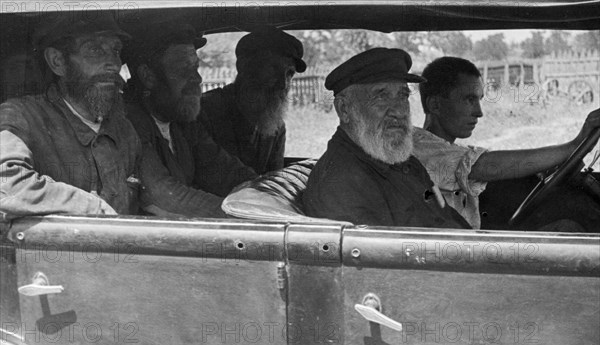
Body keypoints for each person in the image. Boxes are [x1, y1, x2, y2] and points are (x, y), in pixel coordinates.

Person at [414, 56, 600, 229]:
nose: (479, 112)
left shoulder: (446, 149)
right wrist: (574, 146)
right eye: (469, 100)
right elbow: (484, 165)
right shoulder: (420, 148)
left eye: (479, 100)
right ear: (435, 105)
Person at [303, 48, 470, 229]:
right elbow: (383, 255)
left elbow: (446, 219)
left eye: (403, 95)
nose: (399, 111)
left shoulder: (403, 162)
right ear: (344, 109)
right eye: (381, 96)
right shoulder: (340, 184)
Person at [0, 12, 140, 219]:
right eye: (95, 50)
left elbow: (158, 196)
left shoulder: (124, 129)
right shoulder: (20, 116)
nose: (113, 64)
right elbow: (6, 185)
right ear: (57, 61)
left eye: (116, 50)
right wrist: (93, 208)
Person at [124, 25, 258, 218]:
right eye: (183, 69)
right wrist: (252, 216)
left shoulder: (182, 120)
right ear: (148, 76)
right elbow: (162, 197)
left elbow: (225, 172)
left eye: (195, 67)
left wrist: (269, 192)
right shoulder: (128, 121)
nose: (197, 78)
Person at [199, 26, 306, 174]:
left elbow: (273, 181)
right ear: (243, 66)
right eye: (274, 68)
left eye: (289, 73)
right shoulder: (205, 112)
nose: (283, 84)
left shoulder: (276, 127)